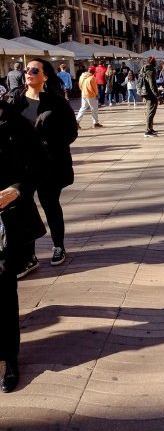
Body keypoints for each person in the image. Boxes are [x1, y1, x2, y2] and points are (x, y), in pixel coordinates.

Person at [7, 58, 78, 274]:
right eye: (27, 69)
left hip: (49, 163)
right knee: (22, 208)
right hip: (20, 164)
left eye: (34, 70)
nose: (28, 72)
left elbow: (71, 133)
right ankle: (29, 256)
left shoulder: (57, 102)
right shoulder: (13, 99)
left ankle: (58, 246)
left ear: (45, 76)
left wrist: (47, 135)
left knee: (50, 204)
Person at [0, 98, 48, 392]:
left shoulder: (16, 124)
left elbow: (42, 164)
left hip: (6, 219)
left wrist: (17, 190)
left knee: (3, 288)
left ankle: (9, 358)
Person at [138, 56, 159, 137]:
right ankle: (147, 130)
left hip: (145, 92)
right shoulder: (150, 71)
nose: (156, 63)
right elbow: (152, 85)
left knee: (150, 111)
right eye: (155, 61)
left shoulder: (144, 69)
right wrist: (157, 95)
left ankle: (150, 128)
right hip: (150, 94)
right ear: (152, 62)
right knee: (150, 112)